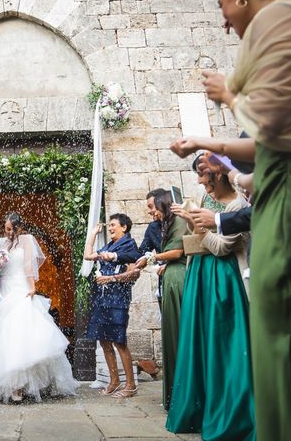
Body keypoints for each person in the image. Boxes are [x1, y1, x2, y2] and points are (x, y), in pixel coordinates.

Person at [200, 0, 291, 437]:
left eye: (223, 4)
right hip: (279, 182)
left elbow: (269, 125)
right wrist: (225, 159)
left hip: (288, 194)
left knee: (279, 331)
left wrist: (228, 94)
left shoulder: (277, 19)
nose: (225, 20)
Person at [166, 160, 254, 440]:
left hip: (224, 280)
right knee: (200, 343)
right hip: (200, 275)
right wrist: (192, 221)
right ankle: (198, 411)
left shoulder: (238, 206)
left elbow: (220, 248)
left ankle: (230, 415)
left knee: (223, 346)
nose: (203, 188)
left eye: (206, 181)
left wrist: (198, 224)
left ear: (219, 175)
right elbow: (195, 238)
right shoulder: (207, 197)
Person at [0, 213, 78, 403]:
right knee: (4, 336)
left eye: (10, 229)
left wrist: (32, 287)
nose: (7, 232)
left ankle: (19, 386)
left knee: (20, 335)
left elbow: (28, 265)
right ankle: (8, 384)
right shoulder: (0, 243)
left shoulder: (27, 240)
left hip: (21, 290)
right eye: (5, 228)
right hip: (5, 292)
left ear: (18, 228)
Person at [135, 191, 188, 410]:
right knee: (171, 334)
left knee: (180, 334)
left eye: (151, 206)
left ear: (161, 204)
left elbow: (179, 251)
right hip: (166, 284)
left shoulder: (179, 220)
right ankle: (175, 391)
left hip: (178, 281)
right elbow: (141, 250)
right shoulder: (155, 227)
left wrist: (153, 258)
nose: (150, 211)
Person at [83, 214, 141, 398]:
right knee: (104, 340)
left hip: (118, 299)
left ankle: (130, 385)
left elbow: (134, 274)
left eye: (113, 225)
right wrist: (93, 233)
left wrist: (110, 278)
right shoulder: (108, 247)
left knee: (119, 341)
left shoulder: (130, 246)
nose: (110, 228)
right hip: (102, 298)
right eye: (109, 225)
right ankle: (114, 381)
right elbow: (87, 255)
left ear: (124, 227)